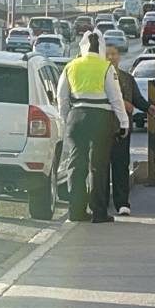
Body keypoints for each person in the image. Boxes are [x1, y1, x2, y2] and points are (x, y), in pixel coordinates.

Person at [56, 31, 129, 223]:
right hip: (101, 118)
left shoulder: (70, 66)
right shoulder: (106, 68)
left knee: (75, 165)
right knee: (98, 167)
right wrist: (124, 123)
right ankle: (99, 212)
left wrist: (66, 119)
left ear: (82, 46)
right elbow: (116, 98)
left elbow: (61, 97)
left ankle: (76, 211)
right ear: (101, 48)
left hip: (77, 116)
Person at [104, 45, 155, 216]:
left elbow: (137, 99)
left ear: (119, 57)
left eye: (113, 54)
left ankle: (122, 204)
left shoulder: (127, 78)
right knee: (102, 168)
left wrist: (149, 107)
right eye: (107, 55)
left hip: (122, 129)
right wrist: (121, 103)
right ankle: (101, 203)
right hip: (103, 128)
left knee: (120, 166)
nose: (111, 57)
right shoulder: (99, 77)